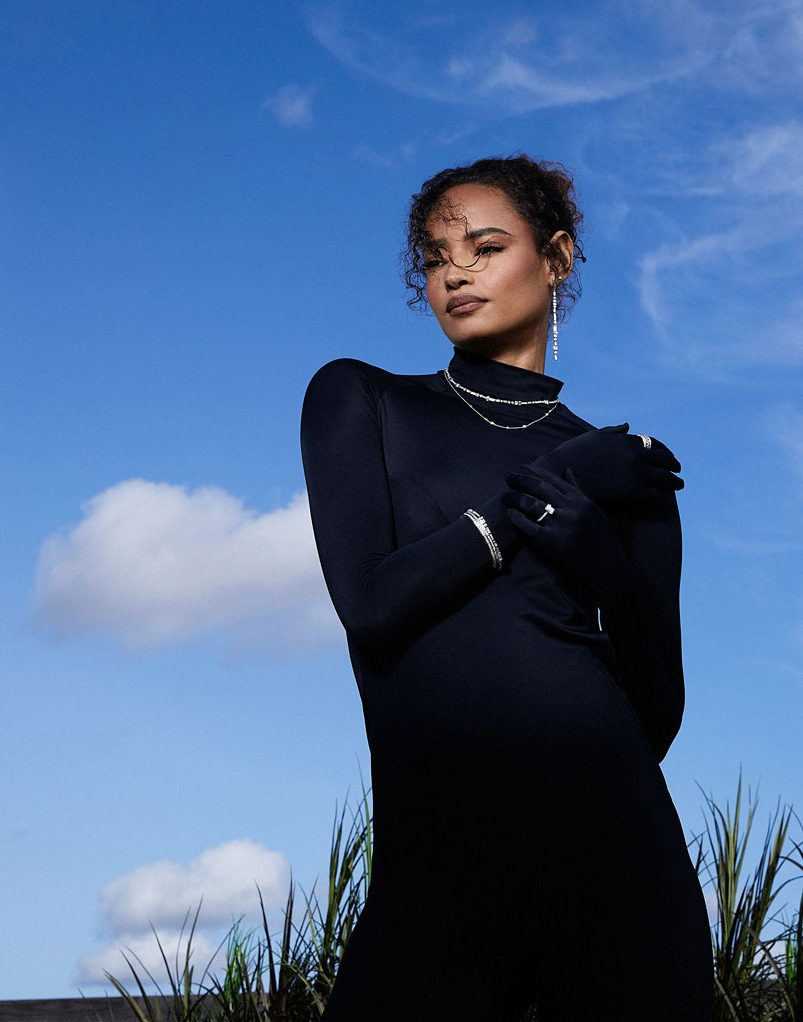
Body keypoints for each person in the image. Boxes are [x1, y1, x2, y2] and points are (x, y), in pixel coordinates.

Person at [300, 155, 712, 1020]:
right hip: (439, 866)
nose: (454, 270)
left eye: (486, 246)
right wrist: (550, 484)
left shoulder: (626, 476)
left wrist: (599, 550)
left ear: (556, 257)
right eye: (436, 255)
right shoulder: (362, 401)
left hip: (617, 862)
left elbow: (658, 716)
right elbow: (373, 604)